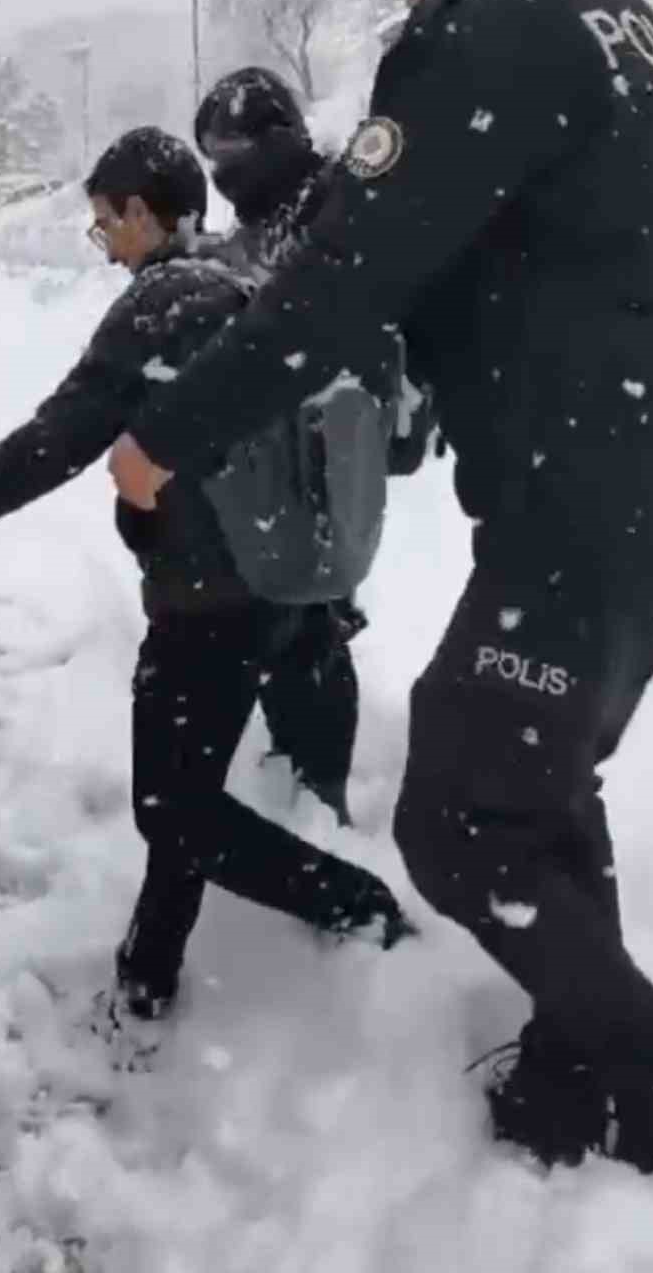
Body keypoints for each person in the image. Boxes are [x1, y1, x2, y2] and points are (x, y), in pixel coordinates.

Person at [109, 0, 653, 1169]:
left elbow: (334, 287)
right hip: (645, 487)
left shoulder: (487, 33)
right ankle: (570, 1083)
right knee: (533, 782)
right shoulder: (630, 32)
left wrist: (168, 435)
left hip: (590, 507)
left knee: (453, 816)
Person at [0, 126, 414, 1027]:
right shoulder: (252, 278)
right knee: (188, 794)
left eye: (104, 224)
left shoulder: (162, 304)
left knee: (172, 810)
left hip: (207, 604)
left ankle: (361, 910)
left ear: (140, 212)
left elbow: (50, 447)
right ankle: (145, 982)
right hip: (291, 592)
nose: (104, 243)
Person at [194, 65, 431, 826]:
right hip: (278, 447)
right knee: (278, 605)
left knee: (317, 615)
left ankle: (321, 787)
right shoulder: (265, 216)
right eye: (209, 160)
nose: (221, 174)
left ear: (272, 136)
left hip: (337, 435)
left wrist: (393, 419)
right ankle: (295, 754)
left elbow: (379, 310)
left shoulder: (336, 201)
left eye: (226, 152)